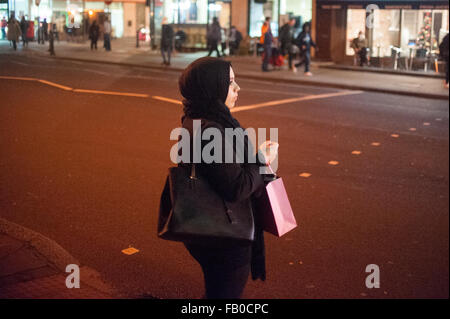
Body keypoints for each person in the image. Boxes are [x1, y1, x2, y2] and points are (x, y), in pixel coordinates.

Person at [178, 57, 269, 299]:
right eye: (230, 82)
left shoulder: (194, 119)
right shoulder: (210, 132)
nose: (237, 88)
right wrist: (263, 160)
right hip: (224, 236)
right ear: (211, 88)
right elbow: (237, 188)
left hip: (205, 228)